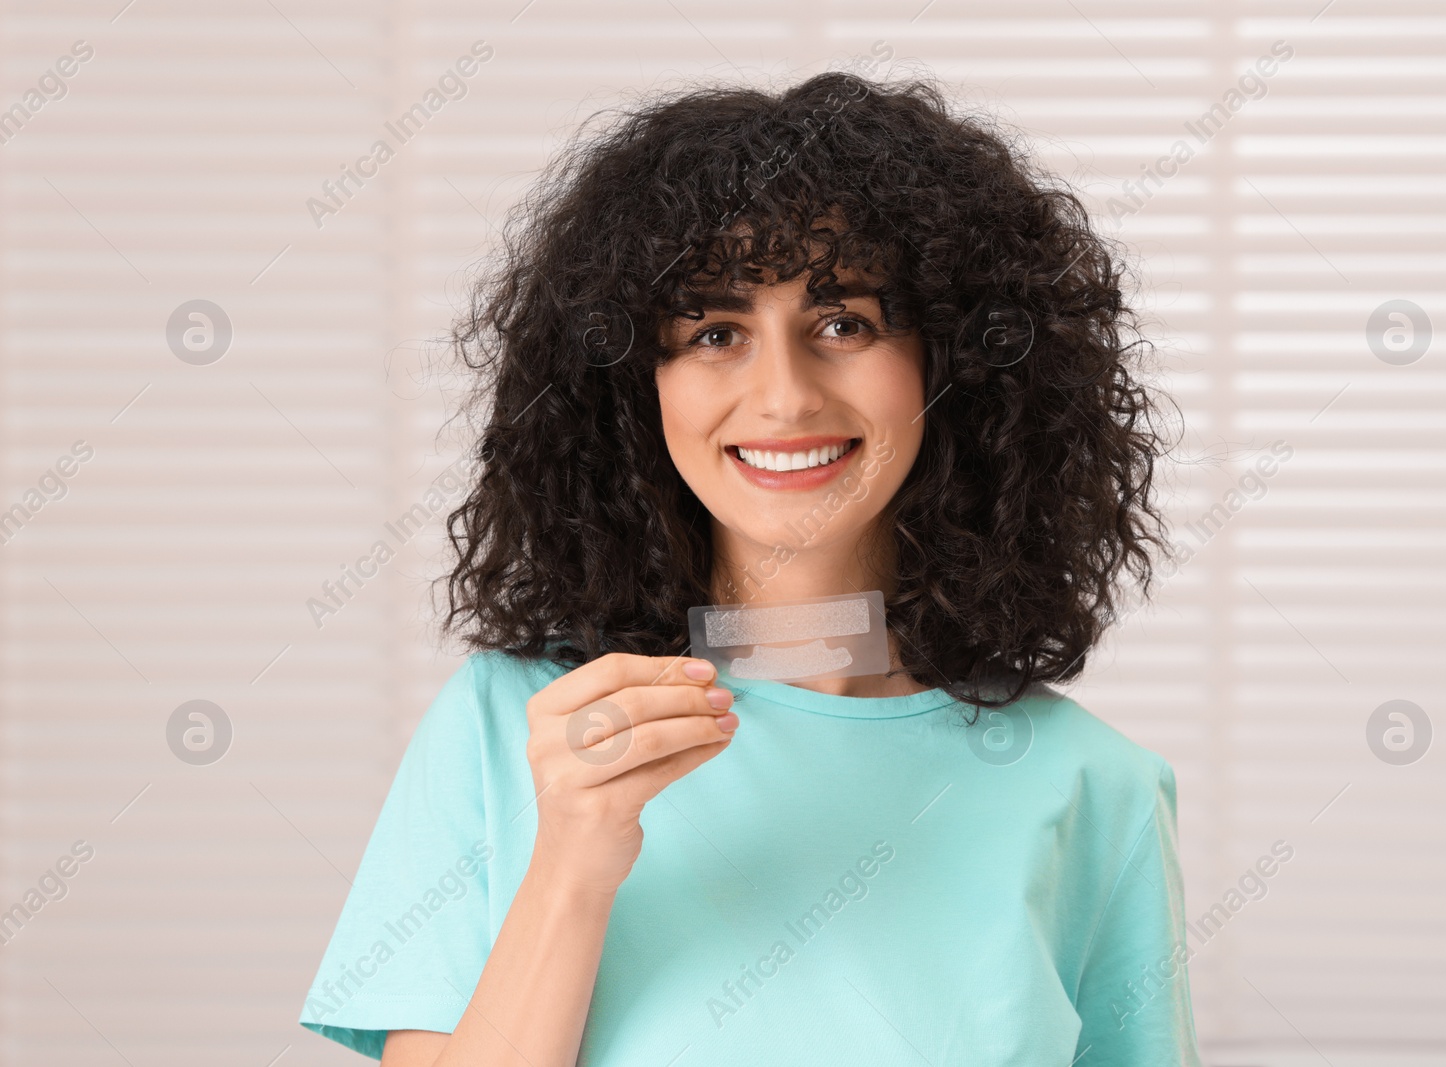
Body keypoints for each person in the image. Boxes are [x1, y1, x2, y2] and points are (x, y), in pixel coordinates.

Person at [299, 70, 1202, 1066]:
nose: (781, 397)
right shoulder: (514, 727)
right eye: (714, 332)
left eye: (843, 323)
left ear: (954, 366)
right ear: (631, 389)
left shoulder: (1096, 789)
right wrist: (573, 856)